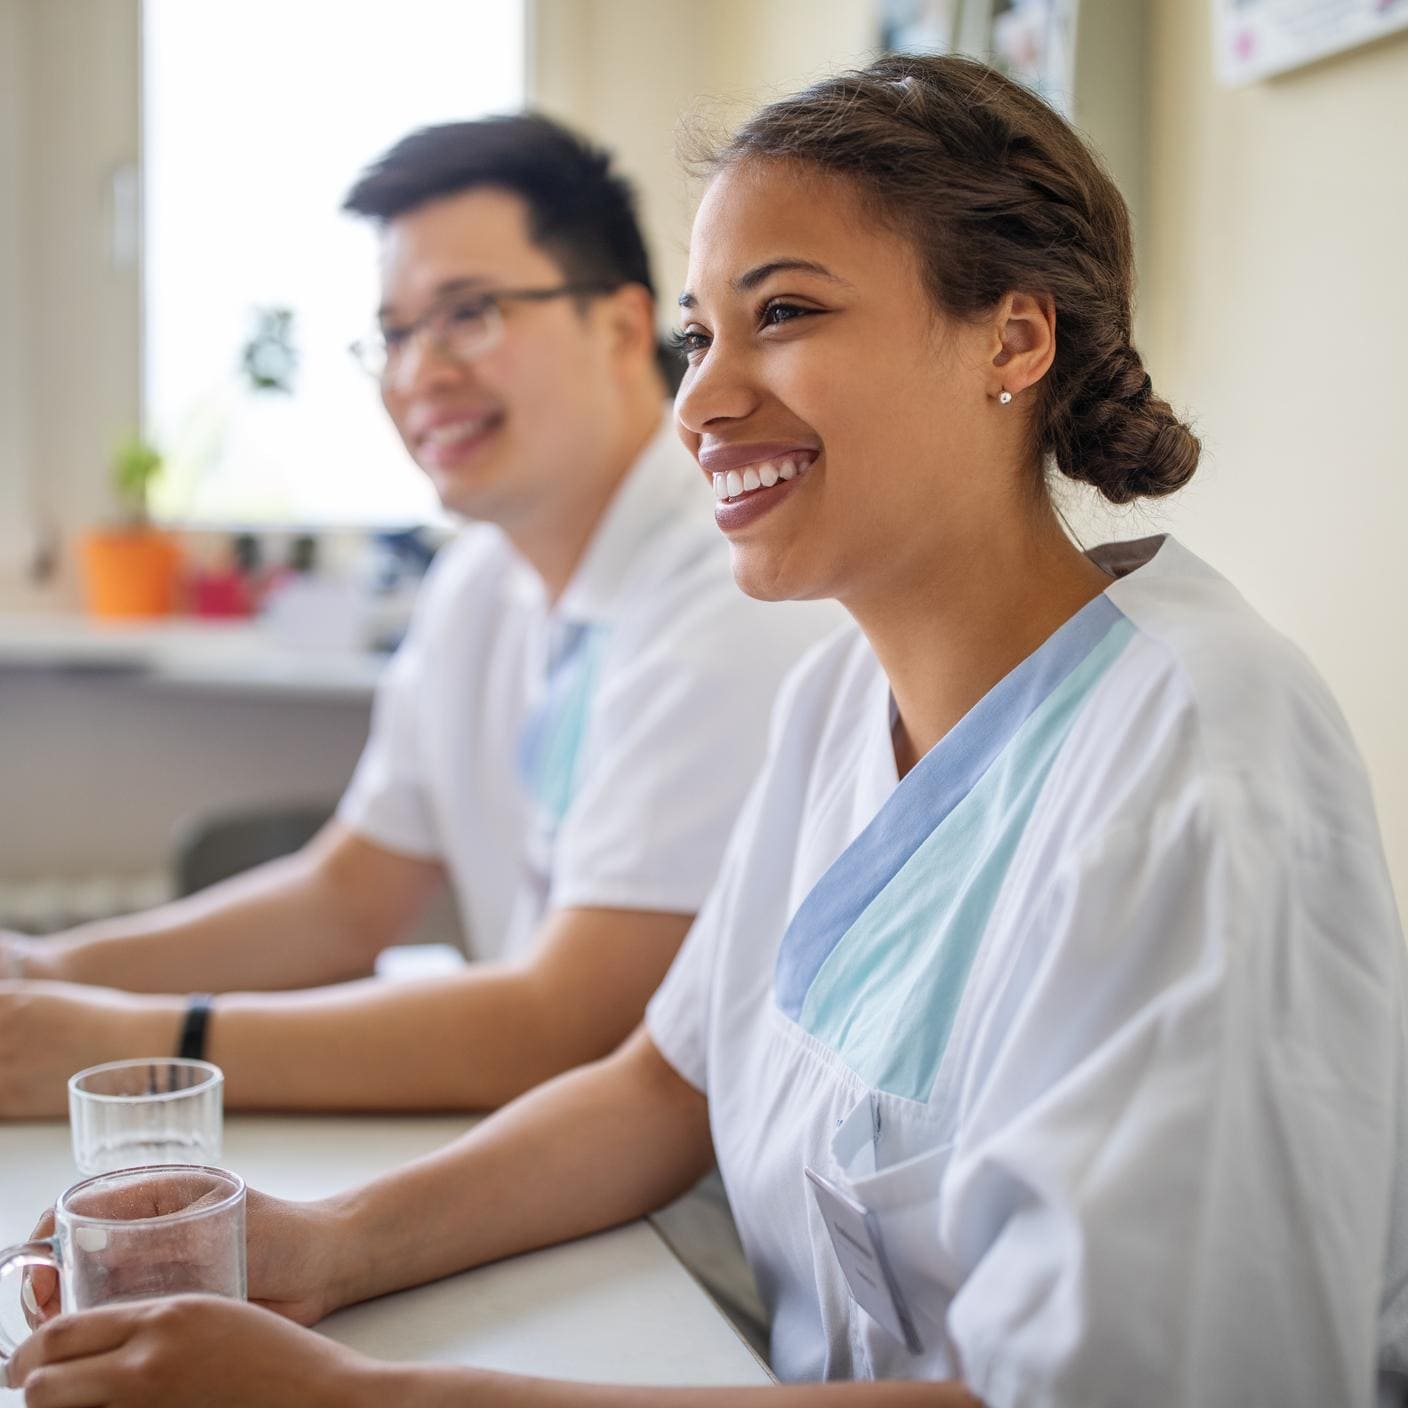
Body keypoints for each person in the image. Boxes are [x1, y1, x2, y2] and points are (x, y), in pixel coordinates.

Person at [8, 53, 1407, 1407]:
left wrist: (368, 1402)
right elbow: (663, 1083)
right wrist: (322, 1248)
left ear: (1014, 338)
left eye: (784, 313)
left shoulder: (1200, 767)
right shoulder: (834, 708)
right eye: (702, 335)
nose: (702, 399)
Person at [0, 114, 835, 1117]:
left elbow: (570, 1022)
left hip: (700, 1229)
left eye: (469, 312)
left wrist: (139, 1048)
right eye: (395, 332)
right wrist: (45, 974)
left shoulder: (733, 584)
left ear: (619, 328)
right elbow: (348, 894)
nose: (419, 372)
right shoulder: (478, 579)